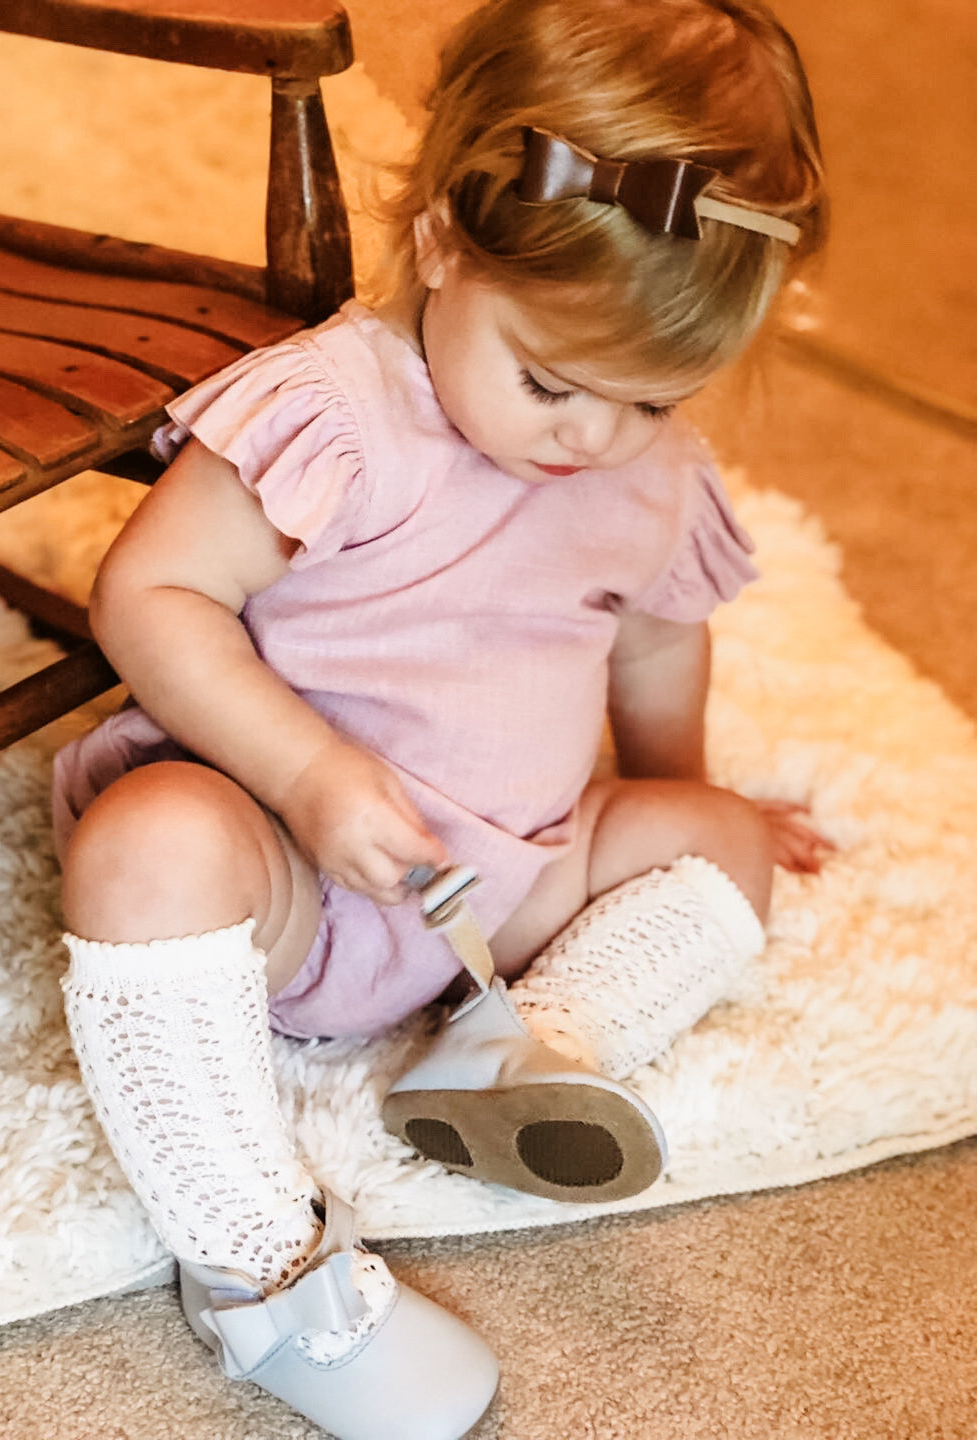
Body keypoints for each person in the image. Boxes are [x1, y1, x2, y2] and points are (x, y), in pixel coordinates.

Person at [54, 1, 831, 1434]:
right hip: (301, 882)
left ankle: (532, 1040)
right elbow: (149, 594)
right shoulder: (340, 414)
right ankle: (260, 1270)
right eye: (548, 382)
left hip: (511, 883)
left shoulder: (644, 470)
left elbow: (662, 651)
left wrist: (675, 804)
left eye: (653, 400)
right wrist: (305, 775)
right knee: (143, 844)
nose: (589, 439)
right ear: (443, 248)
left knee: (729, 848)